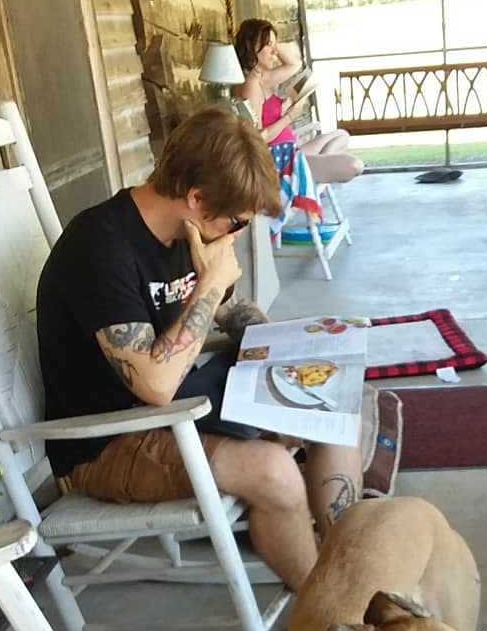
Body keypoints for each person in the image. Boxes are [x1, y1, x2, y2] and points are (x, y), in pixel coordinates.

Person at [36, 106, 363, 594]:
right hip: (107, 441)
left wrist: (295, 354)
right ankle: (328, 610)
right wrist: (208, 286)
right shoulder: (100, 248)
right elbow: (157, 384)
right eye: (235, 222)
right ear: (196, 197)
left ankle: (353, 578)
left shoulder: (185, 231)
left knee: (329, 403)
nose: (236, 235)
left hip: (181, 409)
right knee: (273, 474)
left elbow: (232, 313)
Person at [232, 19, 364, 191]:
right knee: (355, 165)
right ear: (252, 47)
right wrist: (289, 117)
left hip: (292, 150)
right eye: (268, 46)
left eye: (275, 45)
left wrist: (271, 46)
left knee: (341, 136)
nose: (274, 51)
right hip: (278, 159)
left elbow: (295, 64)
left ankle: (306, 181)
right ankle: (306, 182)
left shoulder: (263, 78)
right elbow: (257, 138)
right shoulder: (251, 84)